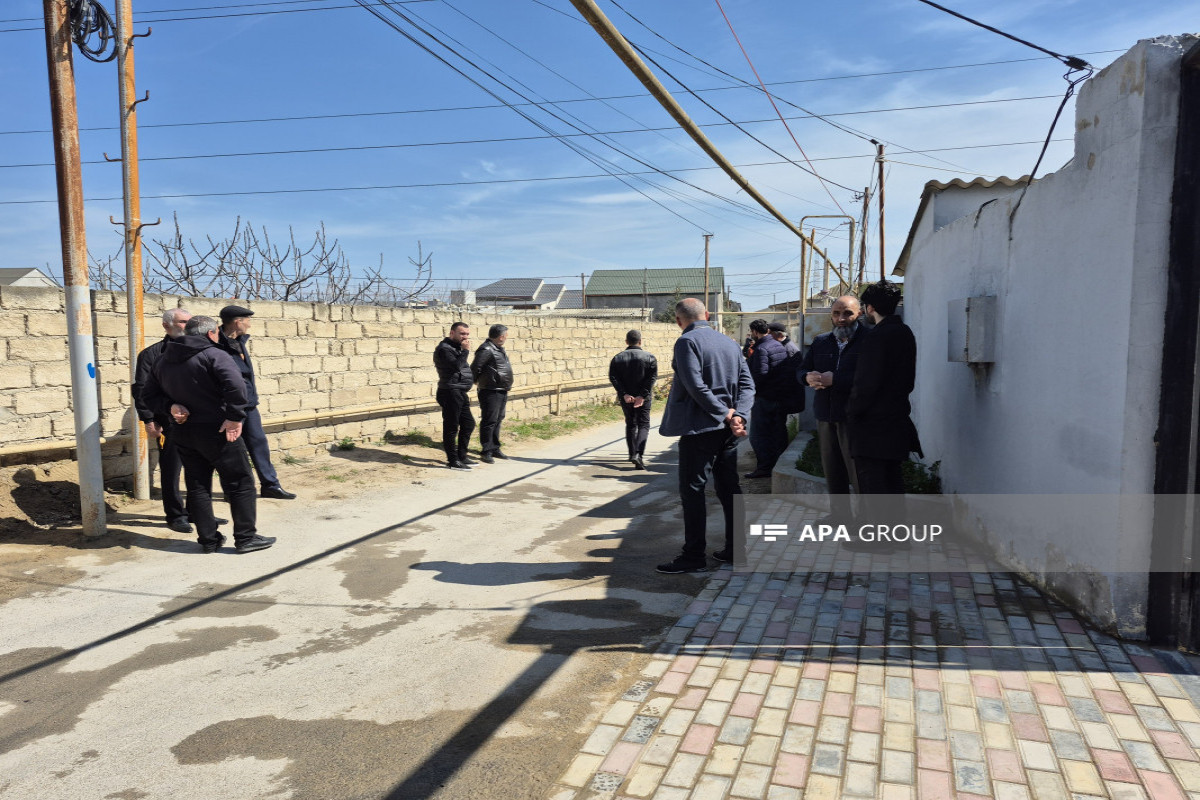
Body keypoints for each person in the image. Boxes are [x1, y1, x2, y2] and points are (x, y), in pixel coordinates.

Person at [142, 316, 275, 554]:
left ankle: (209, 540)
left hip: (184, 431)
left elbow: (148, 395)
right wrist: (235, 418)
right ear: (211, 333)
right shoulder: (215, 355)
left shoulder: (162, 359)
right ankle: (246, 538)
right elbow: (237, 387)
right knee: (240, 483)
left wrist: (170, 406)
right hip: (218, 430)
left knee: (197, 484)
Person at [657, 298, 754, 574]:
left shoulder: (686, 342)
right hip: (727, 430)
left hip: (700, 428)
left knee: (693, 491)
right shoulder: (730, 343)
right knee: (728, 488)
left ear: (678, 320)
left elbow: (695, 386)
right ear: (708, 315)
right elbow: (748, 385)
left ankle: (693, 556)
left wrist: (726, 414)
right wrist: (739, 416)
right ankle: (737, 549)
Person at [846, 281, 923, 540]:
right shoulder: (904, 332)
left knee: (874, 484)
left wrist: (852, 412)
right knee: (892, 481)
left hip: (873, 424)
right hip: (896, 417)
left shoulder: (876, 337)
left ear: (870, 307)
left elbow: (866, 384)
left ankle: (879, 542)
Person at [216, 305, 296, 500]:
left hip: (249, 404)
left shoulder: (239, 341)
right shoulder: (216, 344)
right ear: (238, 322)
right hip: (229, 407)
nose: (249, 325)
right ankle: (233, 491)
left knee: (259, 444)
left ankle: (270, 485)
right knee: (232, 450)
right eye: (247, 320)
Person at [800, 295, 868, 524]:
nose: (841, 319)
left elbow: (871, 378)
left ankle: (863, 520)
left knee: (858, 472)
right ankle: (840, 515)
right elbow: (802, 369)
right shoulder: (821, 342)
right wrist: (807, 377)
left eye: (847, 313)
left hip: (854, 417)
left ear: (860, 314)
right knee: (833, 469)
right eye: (836, 313)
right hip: (825, 414)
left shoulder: (869, 341)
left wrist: (836, 379)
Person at [133, 308, 192, 533]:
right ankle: (176, 515)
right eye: (183, 321)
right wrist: (148, 418)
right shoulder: (152, 354)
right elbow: (141, 389)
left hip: (199, 420)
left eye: (189, 321)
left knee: (198, 467)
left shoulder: (201, 350)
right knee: (172, 468)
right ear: (167, 326)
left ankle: (198, 512)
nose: (187, 325)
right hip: (168, 421)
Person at [608, 329, 658, 470]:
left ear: (626, 342)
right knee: (643, 424)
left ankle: (632, 454)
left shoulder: (617, 358)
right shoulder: (650, 358)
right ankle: (638, 454)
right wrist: (642, 395)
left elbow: (613, 377)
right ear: (640, 341)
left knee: (631, 424)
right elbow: (652, 378)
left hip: (626, 398)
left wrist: (624, 394)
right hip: (644, 398)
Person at [745, 318, 787, 479]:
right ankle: (777, 467)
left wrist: (749, 390)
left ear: (755, 332)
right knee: (776, 434)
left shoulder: (762, 348)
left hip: (764, 398)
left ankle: (764, 468)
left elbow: (760, 375)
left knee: (758, 436)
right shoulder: (778, 345)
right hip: (778, 397)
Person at [434, 321, 477, 470]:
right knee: (451, 427)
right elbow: (455, 367)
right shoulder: (444, 349)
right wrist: (465, 351)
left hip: (459, 391)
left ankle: (462, 456)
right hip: (450, 391)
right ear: (452, 333)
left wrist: (462, 350)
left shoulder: (456, 348)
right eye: (462, 334)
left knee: (468, 423)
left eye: (467, 334)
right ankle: (453, 461)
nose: (465, 337)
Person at [471, 324, 513, 464]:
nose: (506, 338)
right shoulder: (486, 349)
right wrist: (479, 383)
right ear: (501, 337)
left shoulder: (498, 349)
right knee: (489, 420)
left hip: (500, 390)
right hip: (490, 391)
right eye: (506, 335)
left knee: (498, 419)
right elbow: (475, 368)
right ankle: (486, 450)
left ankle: (495, 447)